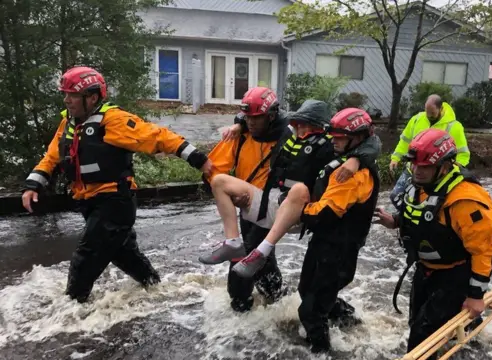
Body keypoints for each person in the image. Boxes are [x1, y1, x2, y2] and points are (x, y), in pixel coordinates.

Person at [21, 66, 212, 303]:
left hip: (114, 202)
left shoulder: (113, 121)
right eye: (65, 94)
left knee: (86, 258)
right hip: (89, 201)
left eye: (72, 95)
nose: (66, 99)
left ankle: (71, 310)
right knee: (125, 255)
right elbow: (52, 157)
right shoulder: (68, 124)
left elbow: (157, 136)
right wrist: (33, 185)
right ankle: (160, 292)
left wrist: (199, 159)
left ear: (92, 97)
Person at [198, 96, 380, 307]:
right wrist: (238, 123)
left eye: (306, 125)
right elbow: (251, 116)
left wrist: (356, 158)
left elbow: (372, 141)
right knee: (247, 246)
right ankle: (265, 291)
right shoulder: (282, 132)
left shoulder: (330, 145)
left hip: (296, 207)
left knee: (257, 253)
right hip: (265, 199)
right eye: (298, 124)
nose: (300, 130)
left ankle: (251, 300)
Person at [238, 107, 380, 352]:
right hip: (324, 245)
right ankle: (352, 323)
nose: (334, 141)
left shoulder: (354, 175)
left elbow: (326, 213)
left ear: (356, 138)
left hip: (339, 250)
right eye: (333, 136)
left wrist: (295, 210)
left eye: (340, 138)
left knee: (310, 311)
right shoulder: (346, 157)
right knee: (307, 292)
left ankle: (323, 358)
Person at [374, 128, 492, 360]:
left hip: (457, 271)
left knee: (421, 336)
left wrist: (475, 296)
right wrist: (396, 221)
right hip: (428, 268)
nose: (418, 171)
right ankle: (464, 329)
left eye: (425, 167)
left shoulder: (465, 200)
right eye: (415, 165)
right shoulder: (420, 184)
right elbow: (423, 216)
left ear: (444, 166)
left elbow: (484, 251)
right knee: (416, 321)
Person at [198, 87, 291, 312]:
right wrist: (231, 193)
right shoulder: (241, 136)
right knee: (261, 257)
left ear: (271, 115)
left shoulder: (290, 137)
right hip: (247, 208)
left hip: (271, 209)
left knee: (244, 256)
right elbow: (213, 170)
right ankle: (277, 300)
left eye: (256, 118)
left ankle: (239, 306)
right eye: (247, 117)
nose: (251, 122)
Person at [389, 95, 469, 206]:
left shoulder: (454, 127)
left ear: (441, 109)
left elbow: (463, 153)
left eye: (432, 113)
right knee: (396, 196)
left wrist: (452, 169)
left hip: (437, 174)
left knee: (430, 205)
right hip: (413, 168)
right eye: (427, 112)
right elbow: (405, 141)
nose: (429, 116)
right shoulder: (416, 120)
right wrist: (395, 158)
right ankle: (404, 219)